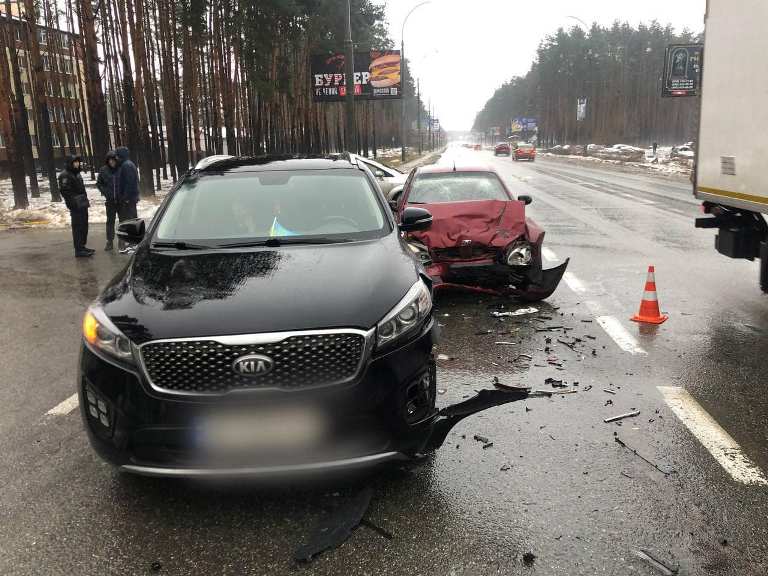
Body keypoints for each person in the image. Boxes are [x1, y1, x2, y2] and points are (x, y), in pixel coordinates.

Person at [58, 155, 94, 258]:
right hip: (76, 206)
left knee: (84, 226)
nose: (77, 164)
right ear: (70, 163)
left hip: (82, 204)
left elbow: (81, 189)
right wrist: (73, 204)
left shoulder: (77, 174)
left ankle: (82, 246)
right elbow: (65, 192)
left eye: (78, 162)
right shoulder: (65, 175)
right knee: (78, 227)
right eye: (75, 162)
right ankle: (78, 249)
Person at [114, 146, 140, 252]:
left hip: (129, 199)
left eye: (117, 155)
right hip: (131, 198)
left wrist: (126, 198)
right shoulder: (128, 164)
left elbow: (129, 183)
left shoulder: (126, 165)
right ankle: (133, 243)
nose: (116, 158)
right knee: (132, 219)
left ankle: (133, 244)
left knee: (130, 221)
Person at [96, 150, 120, 251]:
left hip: (120, 200)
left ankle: (122, 241)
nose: (112, 162)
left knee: (122, 222)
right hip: (110, 201)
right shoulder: (103, 170)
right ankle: (109, 241)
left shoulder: (121, 169)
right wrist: (105, 192)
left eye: (113, 160)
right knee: (110, 221)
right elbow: (99, 183)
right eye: (110, 160)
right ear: (107, 161)